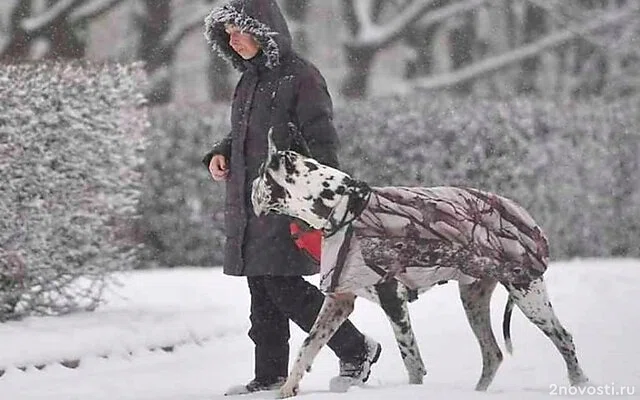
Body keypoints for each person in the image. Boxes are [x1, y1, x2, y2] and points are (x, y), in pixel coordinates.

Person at [202, 0, 381, 395]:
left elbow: (322, 141)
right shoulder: (248, 81)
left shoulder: (301, 77)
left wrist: (317, 203)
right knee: (262, 294)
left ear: (263, 30)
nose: (234, 41)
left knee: (285, 288)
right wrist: (220, 151)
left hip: (290, 203)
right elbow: (247, 135)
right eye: (228, 34)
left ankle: (356, 348)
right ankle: (269, 377)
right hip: (254, 203)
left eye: (240, 31)